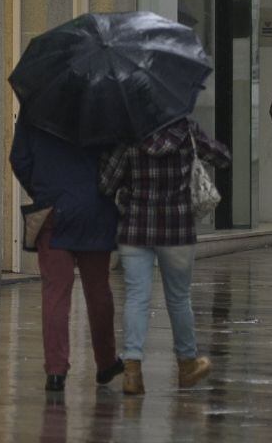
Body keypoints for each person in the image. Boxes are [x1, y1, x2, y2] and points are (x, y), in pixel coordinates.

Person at [99, 118, 230, 395]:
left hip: (135, 227)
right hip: (177, 228)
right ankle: (186, 364)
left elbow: (107, 183)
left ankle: (133, 370)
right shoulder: (186, 129)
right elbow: (221, 157)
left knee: (136, 297)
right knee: (179, 299)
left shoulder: (128, 134)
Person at [9, 114, 122, 393]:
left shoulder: (37, 106)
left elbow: (19, 159)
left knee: (55, 292)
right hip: (94, 212)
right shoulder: (103, 106)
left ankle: (56, 371)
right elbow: (117, 163)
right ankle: (106, 362)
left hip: (52, 212)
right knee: (98, 291)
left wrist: (42, 190)